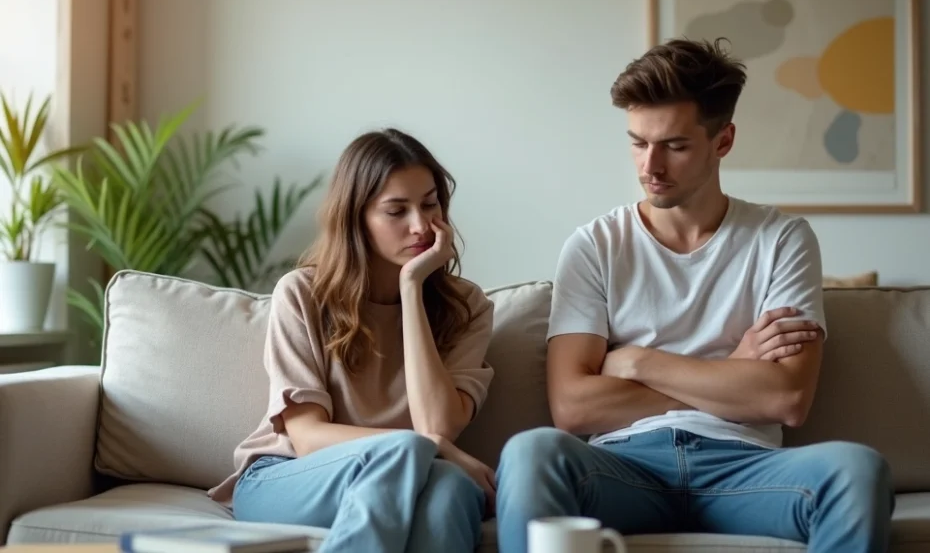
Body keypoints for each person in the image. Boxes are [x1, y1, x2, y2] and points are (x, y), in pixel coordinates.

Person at [495, 38, 894, 553]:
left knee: (857, 469)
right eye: (638, 142)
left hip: (746, 468)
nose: (650, 167)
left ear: (722, 141)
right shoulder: (594, 245)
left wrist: (636, 361)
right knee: (532, 452)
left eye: (675, 146)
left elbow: (785, 398)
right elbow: (572, 407)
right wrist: (733, 368)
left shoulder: (782, 239)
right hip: (622, 468)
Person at [208, 128, 497, 553]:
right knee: (409, 457)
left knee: (451, 489)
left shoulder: (466, 307)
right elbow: (306, 436)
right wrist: (422, 446)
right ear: (356, 218)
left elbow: (437, 424)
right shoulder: (302, 293)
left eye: (430, 203)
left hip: (414, 470)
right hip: (290, 475)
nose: (420, 226)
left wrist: (411, 288)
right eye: (396, 210)